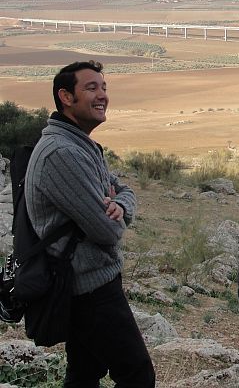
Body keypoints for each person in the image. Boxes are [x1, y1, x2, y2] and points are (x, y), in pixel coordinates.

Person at [25, 61, 155, 387]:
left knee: (84, 374)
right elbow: (106, 230)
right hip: (89, 289)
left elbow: (123, 191)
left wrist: (121, 204)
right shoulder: (62, 152)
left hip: (88, 281)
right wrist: (117, 213)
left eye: (104, 87)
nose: (102, 95)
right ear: (65, 96)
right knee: (137, 374)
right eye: (91, 88)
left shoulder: (81, 145)